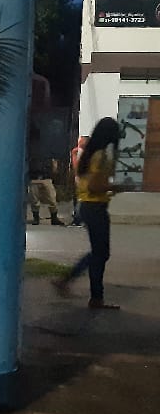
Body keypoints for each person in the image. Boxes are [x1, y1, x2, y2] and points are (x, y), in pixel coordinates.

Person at [54, 117, 121, 309]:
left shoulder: (90, 154)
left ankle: (94, 295)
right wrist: (115, 187)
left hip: (88, 206)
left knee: (99, 253)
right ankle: (75, 285)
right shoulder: (100, 156)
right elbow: (94, 186)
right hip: (95, 207)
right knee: (101, 253)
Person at [26, 156, 64, 225]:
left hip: (45, 177)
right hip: (34, 177)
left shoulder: (46, 152)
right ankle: (36, 218)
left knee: (52, 198)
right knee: (34, 200)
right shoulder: (32, 152)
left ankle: (54, 218)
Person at [68, 134, 87, 226]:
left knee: (81, 199)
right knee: (78, 198)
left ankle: (79, 218)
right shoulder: (76, 152)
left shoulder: (83, 153)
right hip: (79, 177)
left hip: (83, 178)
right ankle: (78, 218)